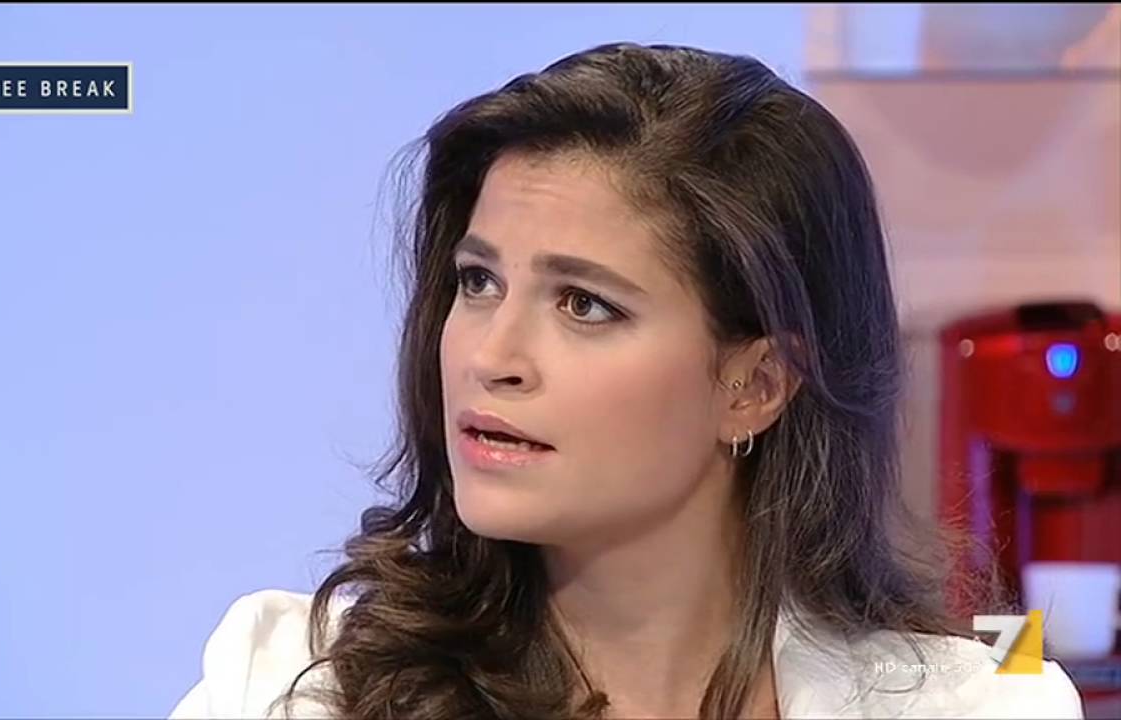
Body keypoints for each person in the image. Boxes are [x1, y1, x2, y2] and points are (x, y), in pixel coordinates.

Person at [169, 42, 1086, 719]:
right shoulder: (291, 685)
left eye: (584, 304)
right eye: (478, 282)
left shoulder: (983, 705)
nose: (491, 356)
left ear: (756, 384)